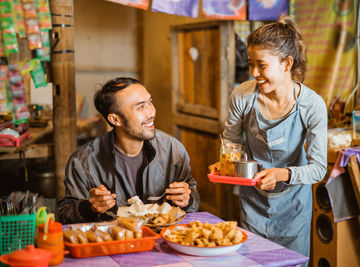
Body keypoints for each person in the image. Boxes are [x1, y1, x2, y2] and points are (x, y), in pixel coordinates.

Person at [209, 15, 327, 262]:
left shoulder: (311, 105)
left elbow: (318, 169)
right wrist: (226, 165)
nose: (254, 73)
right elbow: (231, 142)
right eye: (251, 64)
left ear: (286, 63)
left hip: (294, 206)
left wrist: (281, 174)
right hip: (253, 204)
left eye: (262, 65)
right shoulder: (243, 96)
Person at [57, 77, 200, 224]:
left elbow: (193, 200)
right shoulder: (83, 161)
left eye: (150, 102)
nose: (151, 112)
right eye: (141, 107)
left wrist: (187, 199)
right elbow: (63, 214)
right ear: (115, 120)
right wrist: (89, 207)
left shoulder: (172, 149)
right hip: (115, 242)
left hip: (163, 240)